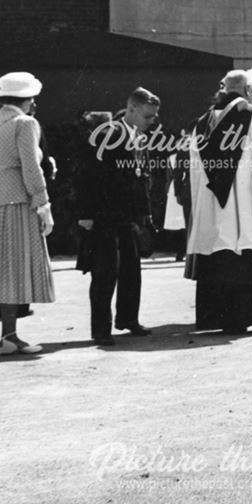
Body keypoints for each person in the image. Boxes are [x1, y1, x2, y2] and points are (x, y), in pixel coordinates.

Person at [186, 69, 252, 332]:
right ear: (247, 90)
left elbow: (196, 174)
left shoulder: (202, 122)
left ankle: (227, 320)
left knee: (222, 253)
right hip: (250, 205)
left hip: (215, 209)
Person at [0, 72, 55, 354]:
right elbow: (31, 167)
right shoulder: (25, 123)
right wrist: (43, 203)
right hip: (17, 200)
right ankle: (10, 336)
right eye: (32, 99)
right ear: (27, 98)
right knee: (13, 268)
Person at [77, 87, 161, 345]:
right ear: (132, 109)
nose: (152, 122)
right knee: (105, 273)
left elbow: (141, 177)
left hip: (129, 215)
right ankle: (100, 330)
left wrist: (145, 212)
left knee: (131, 270)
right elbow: (86, 174)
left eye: (154, 117)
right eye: (148, 116)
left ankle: (127, 318)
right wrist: (86, 213)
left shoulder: (139, 136)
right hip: (105, 214)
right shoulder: (108, 133)